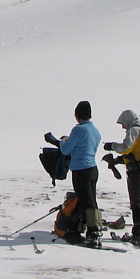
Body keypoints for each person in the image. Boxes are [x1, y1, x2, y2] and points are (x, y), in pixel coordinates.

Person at [45, 101, 103, 247]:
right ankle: (91, 227)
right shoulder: (95, 131)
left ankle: (92, 232)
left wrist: (58, 142)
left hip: (80, 170)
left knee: (85, 200)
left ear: (78, 115)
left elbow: (66, 150)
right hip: (93, 169)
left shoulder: (78, 130)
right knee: (91, 199)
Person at [103, 109, 140, 244]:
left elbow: (126, 148)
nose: (123, 127)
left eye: (123, 123)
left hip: (136, 173)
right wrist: (118, 160)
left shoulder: (134, 131)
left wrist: (111, 146)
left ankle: (138, 233)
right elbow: (135, 153)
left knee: (136, 203)